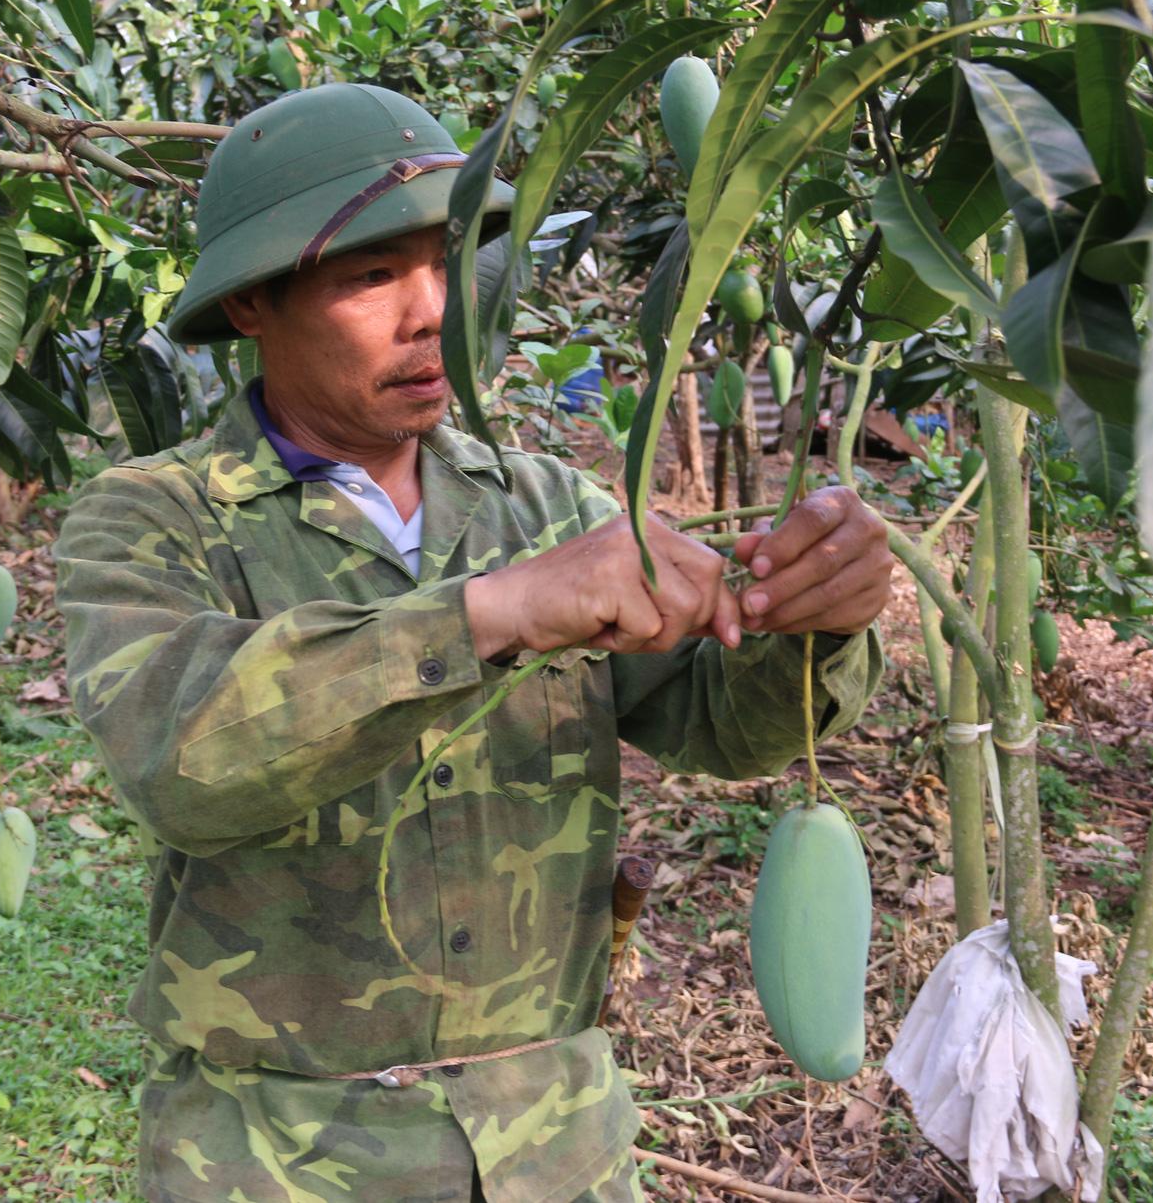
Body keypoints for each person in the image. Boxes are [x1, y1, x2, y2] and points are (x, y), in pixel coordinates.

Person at [50, 82, 893, 1202]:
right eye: (370, 278)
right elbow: (179, 758)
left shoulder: (548, 505)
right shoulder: (155, 516)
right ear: (254, 304)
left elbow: (713, 725)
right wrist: (488, 614)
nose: (430, 314)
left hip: (553, 1143)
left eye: (447, 268)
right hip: (276, 1155)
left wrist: (811, 625)